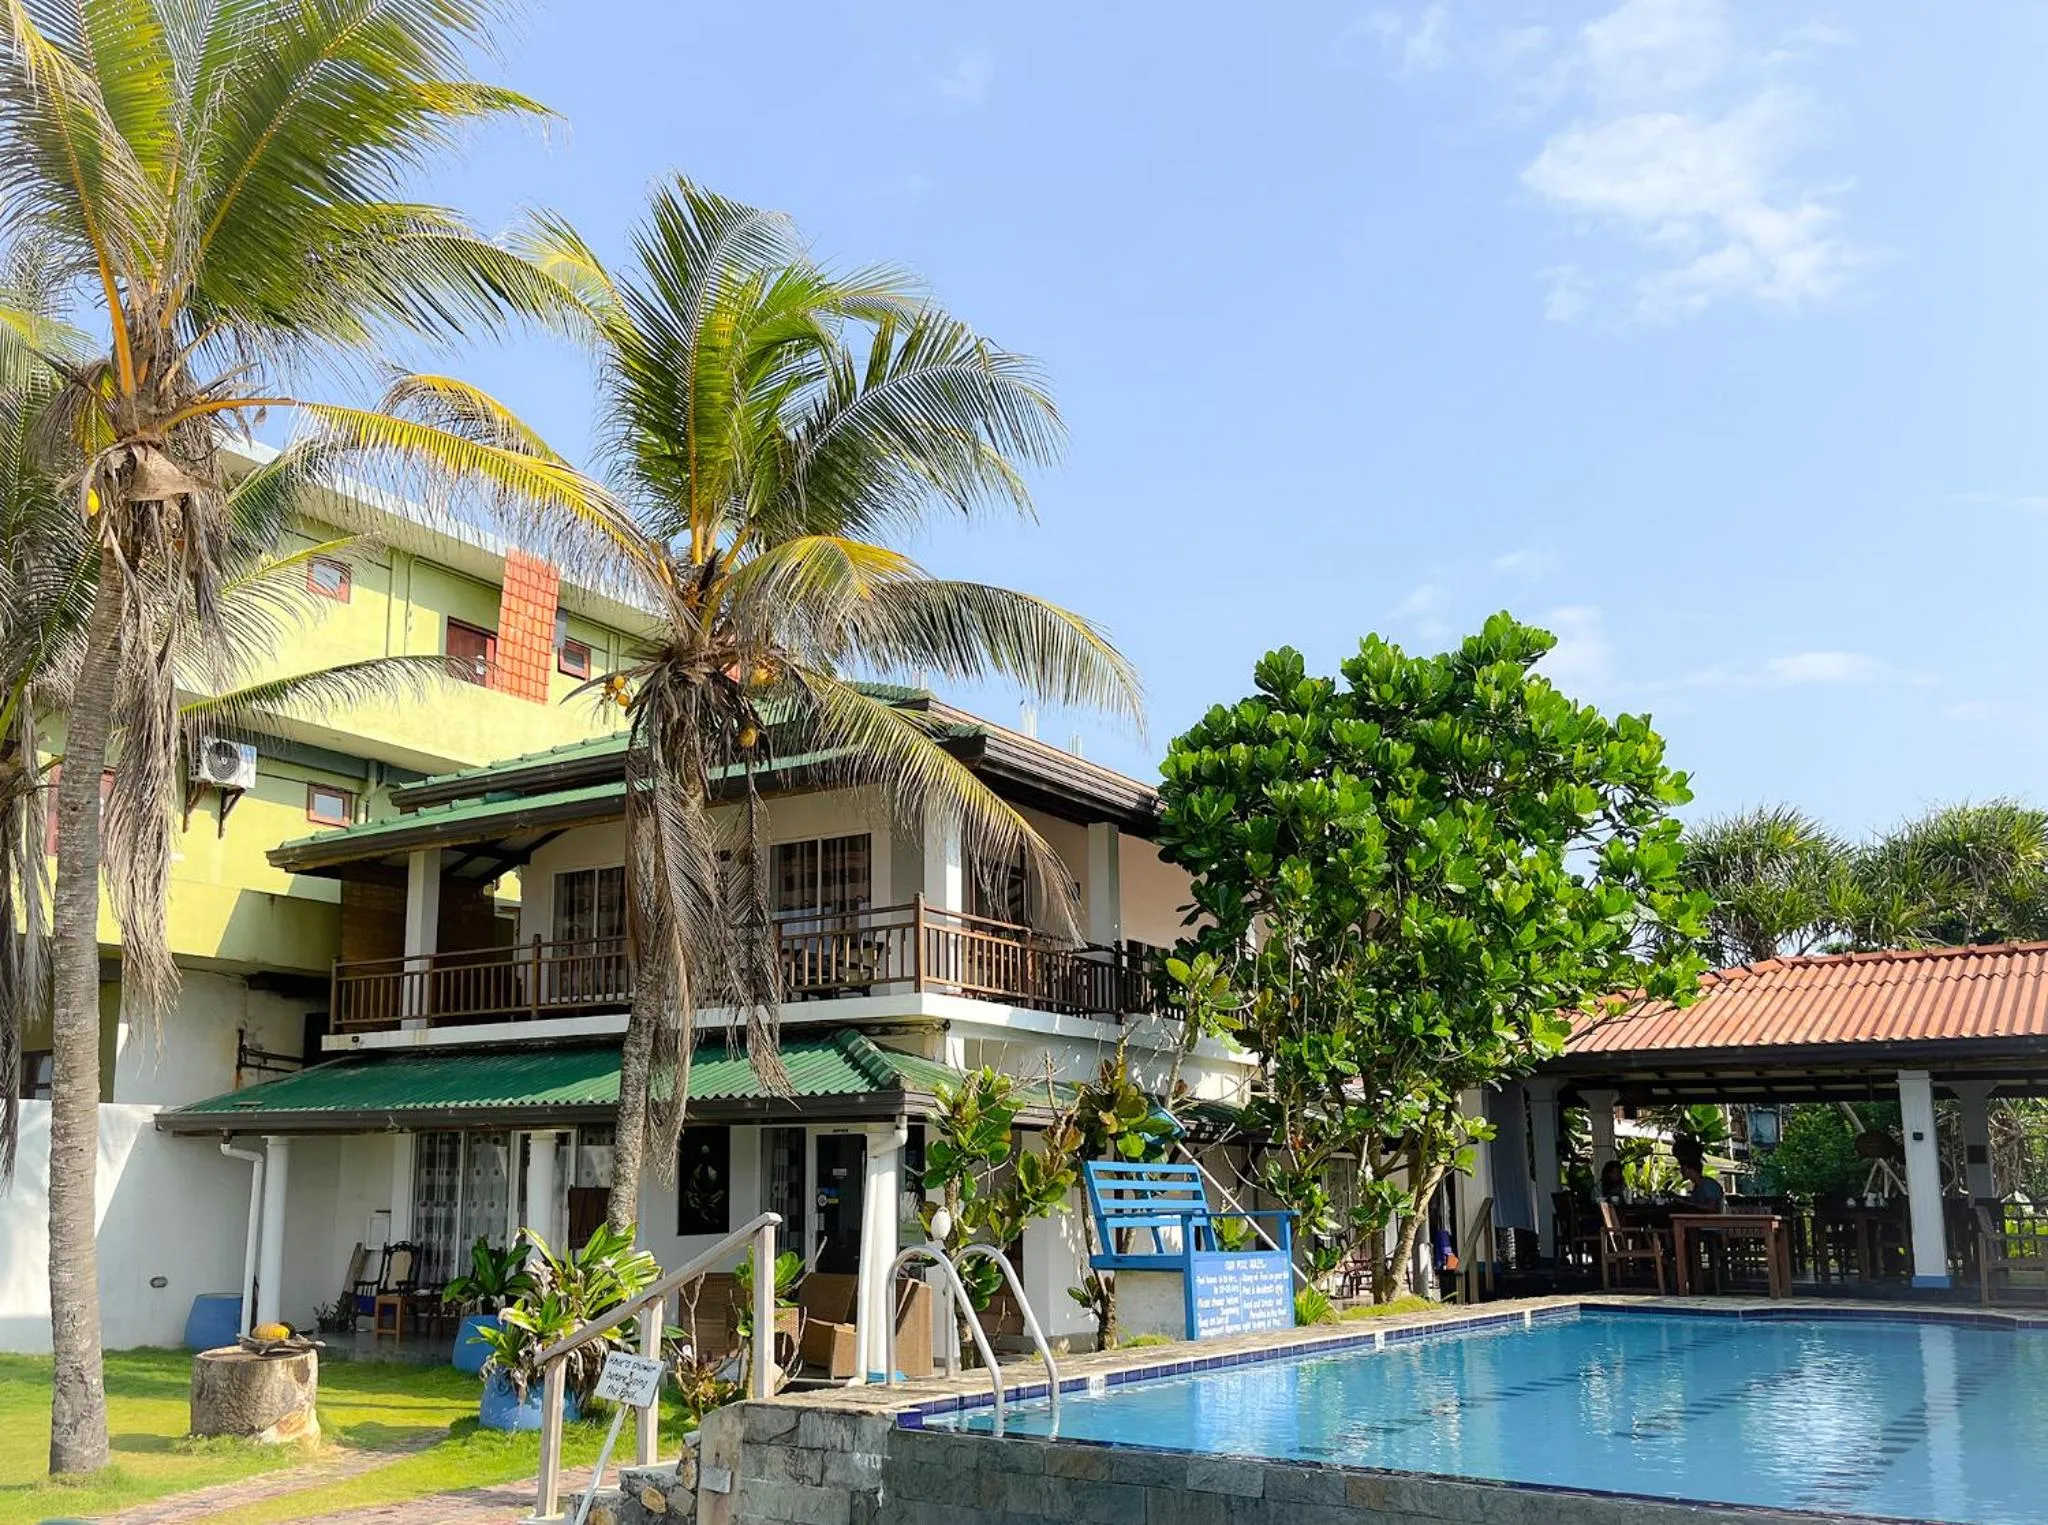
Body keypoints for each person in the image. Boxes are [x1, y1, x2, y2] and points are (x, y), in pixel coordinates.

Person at [1671, 1136, 1725, 1212]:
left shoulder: (1707, 1185)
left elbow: (1712, 1208)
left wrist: (1686, 1204)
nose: (1680, 1171)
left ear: (1689, 1169)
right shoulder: (1699, 1186)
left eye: (1682, 1168)